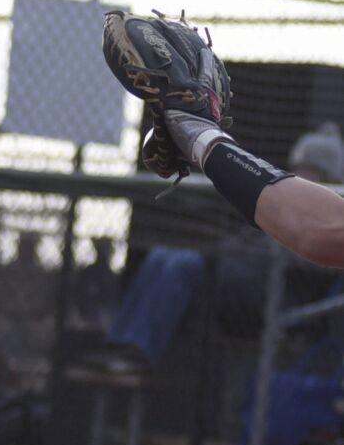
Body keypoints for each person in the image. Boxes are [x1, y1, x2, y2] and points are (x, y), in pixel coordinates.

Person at [86, 123, 344, 376]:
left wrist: (274, 245)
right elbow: (244, 241)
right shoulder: (286, 205)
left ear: (330, 177)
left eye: (310, 170)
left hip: (270, 298)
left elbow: (315, 262)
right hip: (235, 278)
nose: (300, 175)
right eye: (299, 168)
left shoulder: (327, 217)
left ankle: (139, 355)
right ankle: (120, 344)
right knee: (163, 255)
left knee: (182, 264)